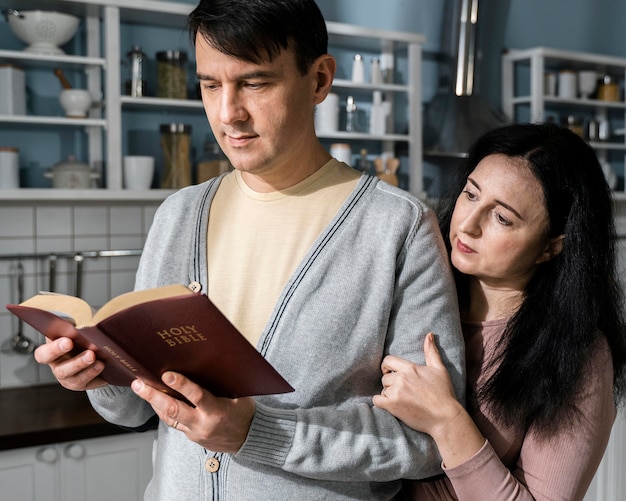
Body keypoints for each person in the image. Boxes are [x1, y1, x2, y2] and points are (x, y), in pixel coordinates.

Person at [34, 1, 465, 499]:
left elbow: (428, 439)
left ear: (320, 79)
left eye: (255, 83)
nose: (227, 113)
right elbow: (130, 410)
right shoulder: (178, 215)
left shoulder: (397, 227)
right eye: (210, 85)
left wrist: (255, 434)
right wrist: (97, 377)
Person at [374, 122, 626, 500]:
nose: (468, 225)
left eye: (502, 218)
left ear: (551, 246)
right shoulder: (409, 292)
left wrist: (446, 420)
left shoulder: (577, 354)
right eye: (471, 195)